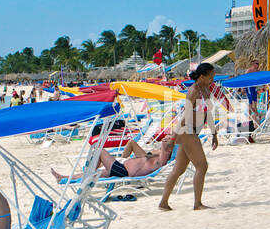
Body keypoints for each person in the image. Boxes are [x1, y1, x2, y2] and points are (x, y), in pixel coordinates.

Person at [159, 62, 217, 211]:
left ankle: (163, 203)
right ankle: (197, 204)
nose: (213, 78)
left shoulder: (206, 90)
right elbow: (184, 116)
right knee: (202, 166)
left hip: (193, 131)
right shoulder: (193, 91)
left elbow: (208, 113)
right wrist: (173, 138)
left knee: (178, 170)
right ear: (202, 76)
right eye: (211, 76)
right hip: (186, 130)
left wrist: (214, 133)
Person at [53, 136, 176, 182]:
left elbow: (164, 155)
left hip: (123, 171)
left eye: (167, 141)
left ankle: (88, 172)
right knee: (95, 174)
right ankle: (64, 178)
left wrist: (166, 145)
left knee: (99, 150)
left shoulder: (160, 161)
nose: (165, 140)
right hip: (121, 167)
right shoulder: (156, 157)